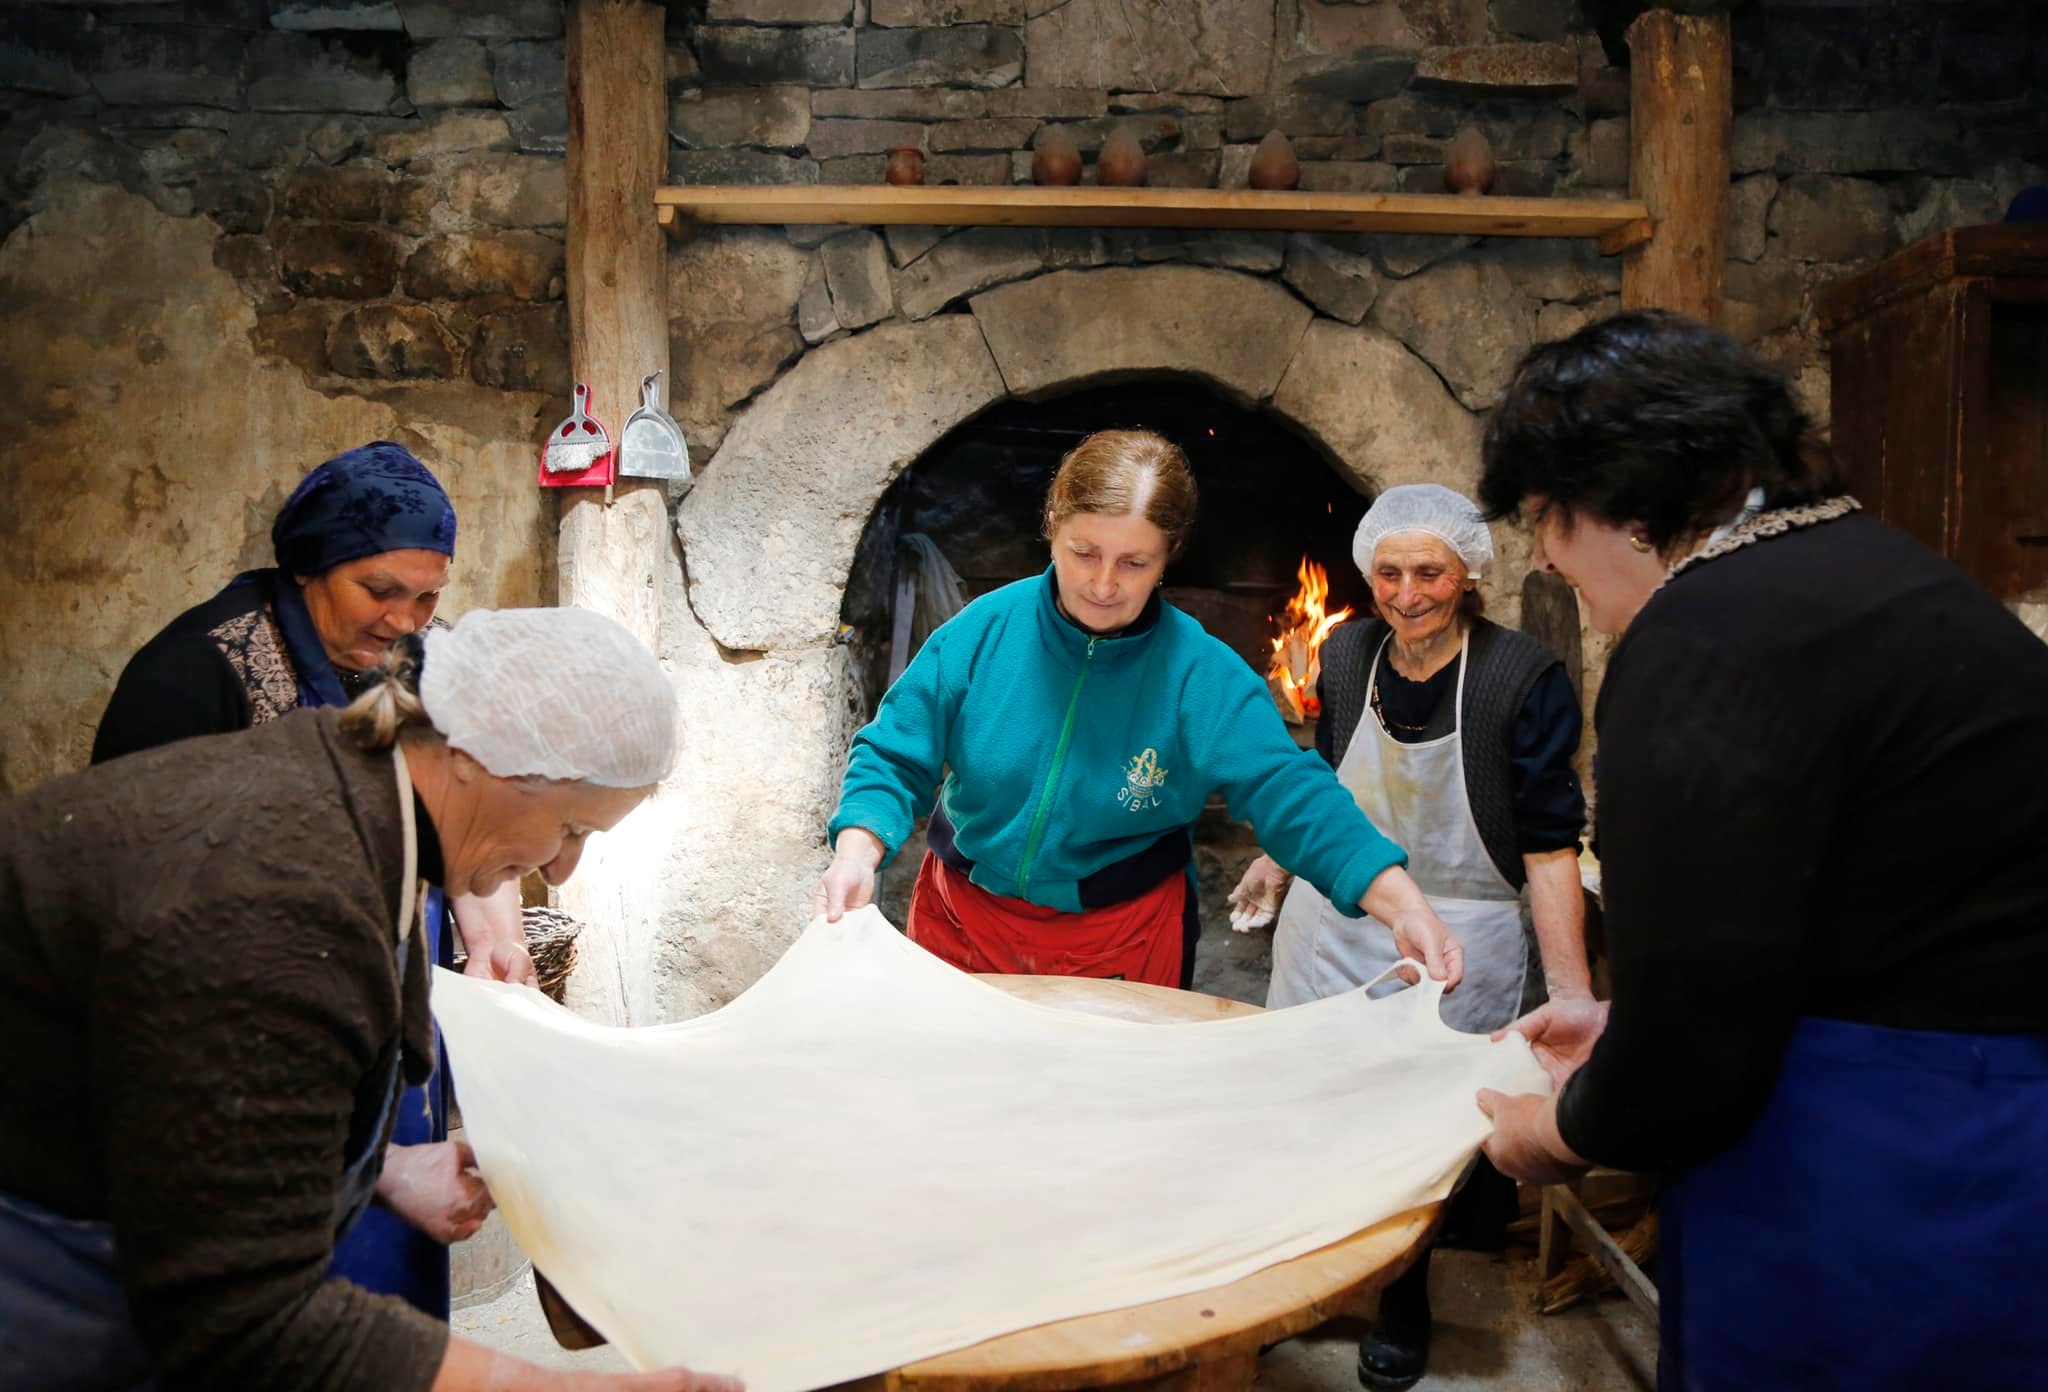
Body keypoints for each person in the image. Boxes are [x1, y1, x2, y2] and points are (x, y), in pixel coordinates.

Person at [1470, 310, 2048, 1390]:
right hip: (1986, 1130)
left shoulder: (1704, 639)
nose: (1545, 556)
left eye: (1546, 517)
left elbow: (1694, 1047)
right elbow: (1799, 924)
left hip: (1880, 1159)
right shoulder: (1885, 577)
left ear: (1623, 504)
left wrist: (1554, 1132)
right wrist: (1630, 1028)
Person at [0, 606, 737, 1392]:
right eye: (570, 828)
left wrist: (386, 1169)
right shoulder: (277, 899)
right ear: (477, 761)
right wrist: (570, 1389)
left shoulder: (352, 795)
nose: (560, 871)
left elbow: (197, 1098)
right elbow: (246, 1319)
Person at [90, 440, 532, 1318]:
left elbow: (469, 812)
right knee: (285, 1289)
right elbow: (138, 911)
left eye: (427, 595)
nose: (404, 619)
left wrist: (494, 932)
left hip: (391, 1004)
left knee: (392, 1278)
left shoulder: (428, 660)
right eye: (379, 590)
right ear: (310, 567)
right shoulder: (195, 676)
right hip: (249, 1035)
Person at [817, 428, 1464, 994]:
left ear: (1168, 556)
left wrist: (1401, 903)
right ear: (1052, 527)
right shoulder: (982, 631)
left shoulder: (1200, 674)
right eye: (1084, 553)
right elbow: (895, 753)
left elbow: (1290, 792)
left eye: (1133, 563)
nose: (1104, 585)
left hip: (1119, 940)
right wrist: (857, 850)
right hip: (963, 917)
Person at [1226, 483, 1589, 1391]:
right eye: (1388, 573)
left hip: (1459, 935)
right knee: (1304, 1109)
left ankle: (1401, 1292)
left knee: (1418, 1130)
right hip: (1338, 918)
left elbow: (1549, 847)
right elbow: (1318, 781)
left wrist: (1574, 996)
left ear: (1469, 574)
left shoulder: (1520, 677)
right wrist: (1277, 859)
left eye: (1429, 572)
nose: (1406, 593)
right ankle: (1290, 1286)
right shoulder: (1347, 651)